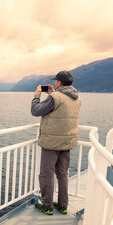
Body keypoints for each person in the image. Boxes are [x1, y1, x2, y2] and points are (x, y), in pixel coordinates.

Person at [31, 70, 81, 215]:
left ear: (59, 82)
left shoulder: (55, 97)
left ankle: (47, 206)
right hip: (67, 142)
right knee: (62, 174)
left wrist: (37, 95)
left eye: (55, 81)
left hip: (52, 143)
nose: (54, 83)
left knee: (47, 174)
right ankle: (63, 205)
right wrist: (53, 95)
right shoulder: (77, 98)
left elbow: (35, 110)